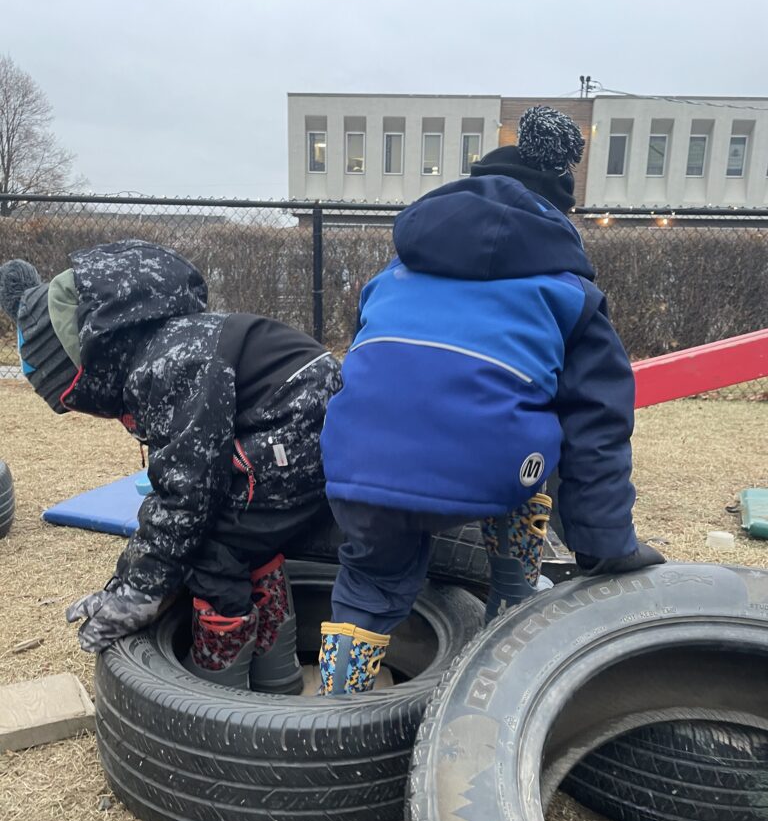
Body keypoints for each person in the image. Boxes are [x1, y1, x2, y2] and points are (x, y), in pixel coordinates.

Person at [318, 106, 664, 696]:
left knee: (371, 583)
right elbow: (598, 427)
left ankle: (334, 713)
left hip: (358, 467)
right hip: (491, 473)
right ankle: (508, 605)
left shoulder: (390, 276)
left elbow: (379, 375)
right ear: (557, 216)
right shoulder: (569, 293)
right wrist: (605, 546)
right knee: (526, 436)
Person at [0, 240, 341, 692]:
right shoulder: (165, 342)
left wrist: (136, 594)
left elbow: (186, 495)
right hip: (299, 425)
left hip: (298, 429)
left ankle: (218, 695)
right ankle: (278, 678)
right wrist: (124, 580)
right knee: (246, 536)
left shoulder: (166, 364)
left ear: (86, 367)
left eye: (75, 401)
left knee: (211, 546)